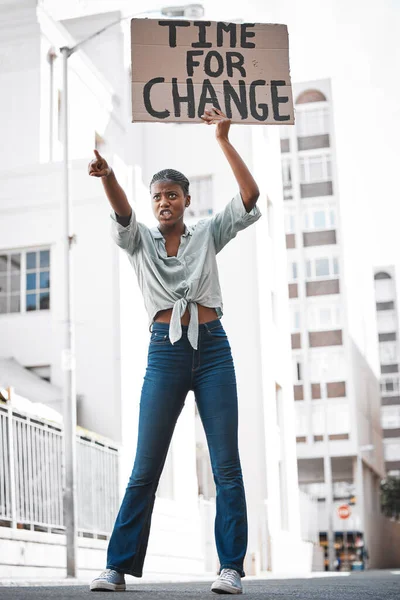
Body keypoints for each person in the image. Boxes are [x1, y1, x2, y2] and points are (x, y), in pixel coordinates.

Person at [88, 108, 261, 594]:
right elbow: (123, 212)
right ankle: (116, 568)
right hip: (164, 355)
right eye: (157, 196)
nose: (163, 202)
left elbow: (249, 199)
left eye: (171, 195)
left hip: (213, 353)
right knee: (146, 466)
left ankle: (230, 568)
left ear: (186, 200)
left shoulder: (206, 231)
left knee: (226, 463)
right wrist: (110, 178)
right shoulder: (139, 240)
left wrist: (223, 139)